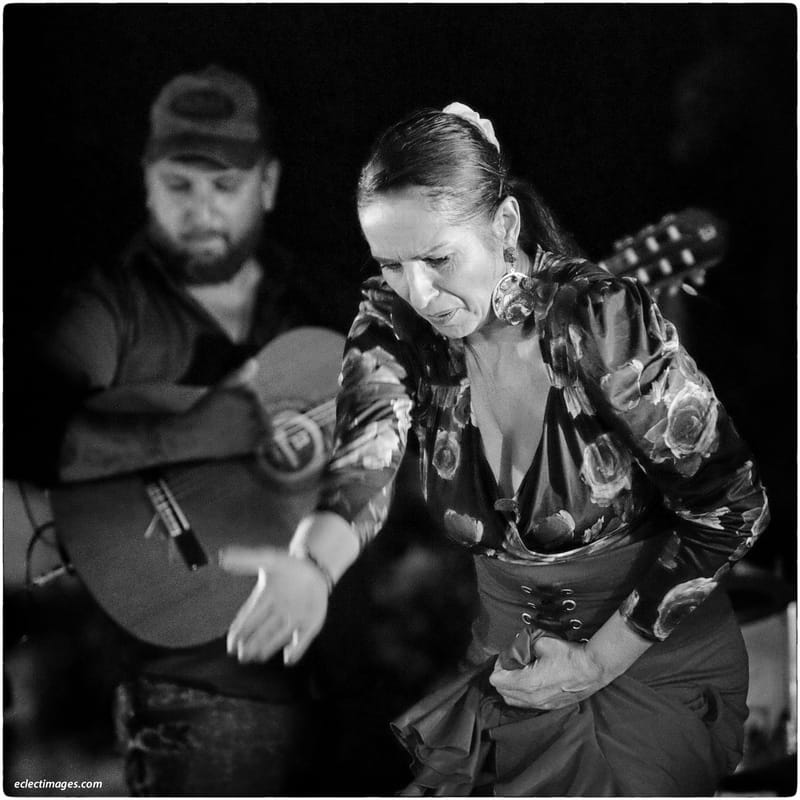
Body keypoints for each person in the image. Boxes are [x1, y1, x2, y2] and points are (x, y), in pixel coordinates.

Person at [218, 103, 771, 796]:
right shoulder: (392, 324)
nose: (418, 291)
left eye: (438, 257)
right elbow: (367, 452)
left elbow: (732, 507)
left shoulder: (600, 320)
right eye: (391, 263)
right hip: (512, 668)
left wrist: (596, 662)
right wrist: (313, 563)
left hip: (644, 661)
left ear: (504, 226)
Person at [33, 65, 336, 796]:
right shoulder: (110, 305)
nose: (201, 210)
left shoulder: (324, 302)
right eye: (180, 185)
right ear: (147, 182)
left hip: (351, 690)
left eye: (224, 185)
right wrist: (190, 433)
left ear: (267, 184)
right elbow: (34, 428)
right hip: (201, 692)